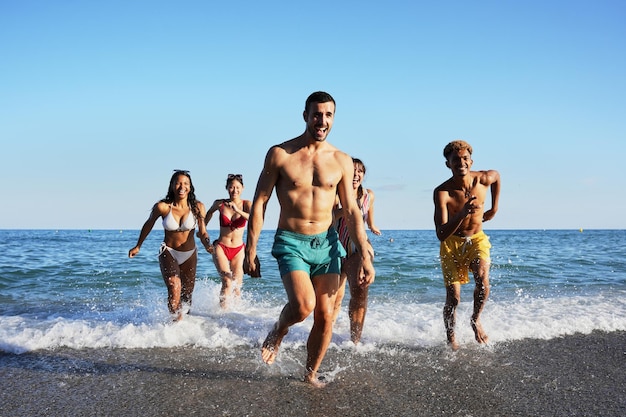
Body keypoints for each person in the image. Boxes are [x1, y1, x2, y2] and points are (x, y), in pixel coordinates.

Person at [243, 91, 375, 387]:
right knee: (303, 307)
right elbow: (260, 201)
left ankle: (309, 375)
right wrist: (250, 249)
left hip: (327, 244)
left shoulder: (341, 160)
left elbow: (352, 211)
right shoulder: (281, 154)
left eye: (328, 115)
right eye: (317, 114)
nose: (322, 120)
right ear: (305, 116)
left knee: (326, 315)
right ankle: (279, 328)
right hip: (291, 241)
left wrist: (365, 255)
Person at [433, 140, 500, 350]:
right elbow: (441, 234)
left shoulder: (483, 179)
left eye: (464, 159)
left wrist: (494, 208)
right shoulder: (443, 193)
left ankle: (475, 319)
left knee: (482, 278)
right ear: (448, 164)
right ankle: (451, 337)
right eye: (455, 160)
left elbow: (496, 176)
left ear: (471, 161)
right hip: (451, 245)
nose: (461, 163)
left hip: (477, 239)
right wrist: (461, 215)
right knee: (453, 297)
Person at [129, 170, 212, 321]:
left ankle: (185, 325)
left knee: (187, 294)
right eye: (178, 183)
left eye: (186, 183)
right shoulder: (163, 207)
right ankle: (175, 324)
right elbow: (148, 225)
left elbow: (203, 232)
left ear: (190, 187)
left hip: (190, 254)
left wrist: (207, 244)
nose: (182, 186)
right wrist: (138, 246)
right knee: (174, 287)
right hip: (168, 251)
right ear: (172, 186)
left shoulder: (198, 207)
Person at [331, 158, 381, 344]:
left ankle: (355, 341)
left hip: (357, 246)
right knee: (335, 297)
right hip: (335, 246)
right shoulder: (334, 194)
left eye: (360, 171)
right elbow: (328, 217)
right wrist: (346, 209)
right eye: (353, 170)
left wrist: (373, 225)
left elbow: (368, 214)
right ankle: (327, 334)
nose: (356, 174)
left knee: (359, 291)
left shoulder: (368, 195)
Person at [203, 173, 252, 308]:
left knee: (237, 285)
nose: (234, 190)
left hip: (238, 249)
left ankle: (235, 317)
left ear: (242, 188)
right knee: (227, 281)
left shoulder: (247, 204)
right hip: (221, 247)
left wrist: (238, 210)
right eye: (231, 187)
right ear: (227, 188)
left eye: (237, 187)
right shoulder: (220, 204)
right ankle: (221, 315)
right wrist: (203, 230)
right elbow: (209, 213)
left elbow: (254, 218)